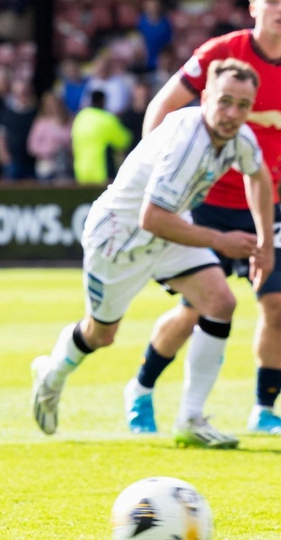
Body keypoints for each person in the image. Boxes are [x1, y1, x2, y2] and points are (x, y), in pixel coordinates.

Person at [31, 58, 274, 450]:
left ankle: (191, 418)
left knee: (220, 301)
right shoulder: (187, 142)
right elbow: (151, 218)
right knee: (101, 334)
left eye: (243, 105)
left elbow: (258, 175)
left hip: (169, 230)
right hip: (119, 238)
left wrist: (263, 244)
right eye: (225, 101)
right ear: (206, 96)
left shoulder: (239, 137)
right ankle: (52, 373)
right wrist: (222, 241)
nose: (232, 114)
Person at [127, 0, 281, 436]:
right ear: (253, 6)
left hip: (267, 202)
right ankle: (141, 388)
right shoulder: (223, 52)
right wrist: (154, 174)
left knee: (276, 302)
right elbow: (163, 104)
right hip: (206, 201)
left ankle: (265, 409)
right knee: (197, 308)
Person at [70, 90, 130, 185]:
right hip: (102, 173)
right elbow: (124, 141)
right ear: (103, 101)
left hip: (81, 173)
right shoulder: (107, 119)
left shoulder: (80, 117)